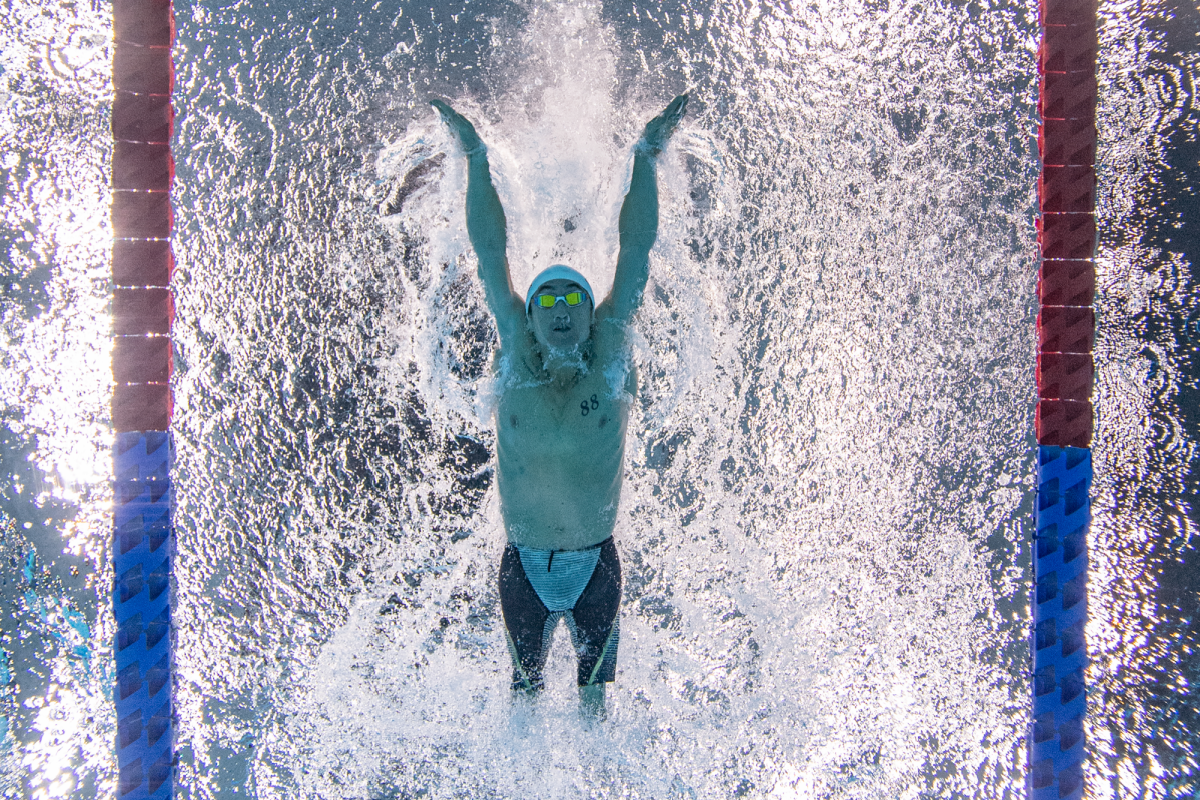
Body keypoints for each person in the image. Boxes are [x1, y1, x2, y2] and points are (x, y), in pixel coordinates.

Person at [432, 93, 687, 719]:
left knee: (595, 712)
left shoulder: (609, 356)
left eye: (574, 299)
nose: (562, 310)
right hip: (522, 570)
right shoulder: (514, 355)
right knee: (522, 705)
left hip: (596, 567)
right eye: (546, 302)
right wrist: (474, 156)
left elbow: (635, 254)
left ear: (590, 310)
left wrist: (647, 157)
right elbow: (491, 256)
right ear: (530, 315)